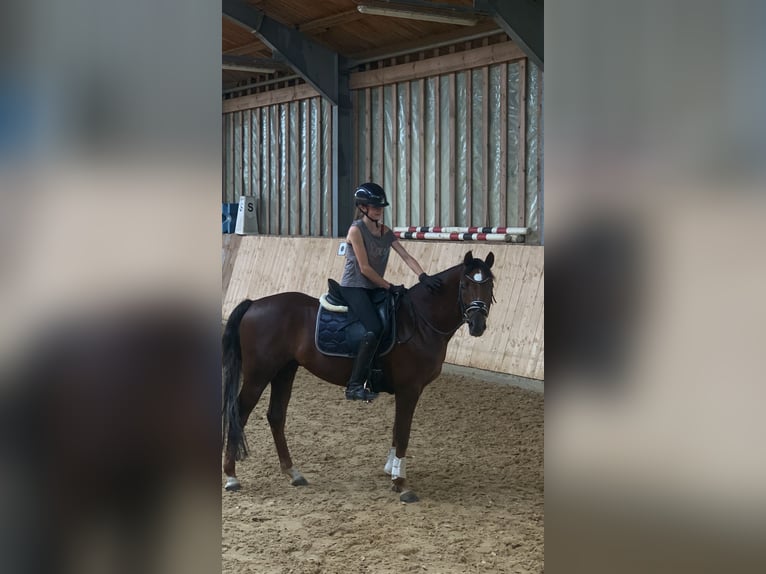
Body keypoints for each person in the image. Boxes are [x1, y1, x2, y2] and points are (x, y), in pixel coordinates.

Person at [340, 182, 442, 401]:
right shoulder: (356, 230)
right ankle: (354, 384)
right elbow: (365, 268)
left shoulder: (385, 232)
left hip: (374, 287)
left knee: (396, 316)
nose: (379, 210)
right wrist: (389, 286)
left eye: (381, 207)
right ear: (363, 207)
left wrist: (422, 276)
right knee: (374, 328)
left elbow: (405, 255)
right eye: (374, 206)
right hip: (354, 287)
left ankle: (379, 373)